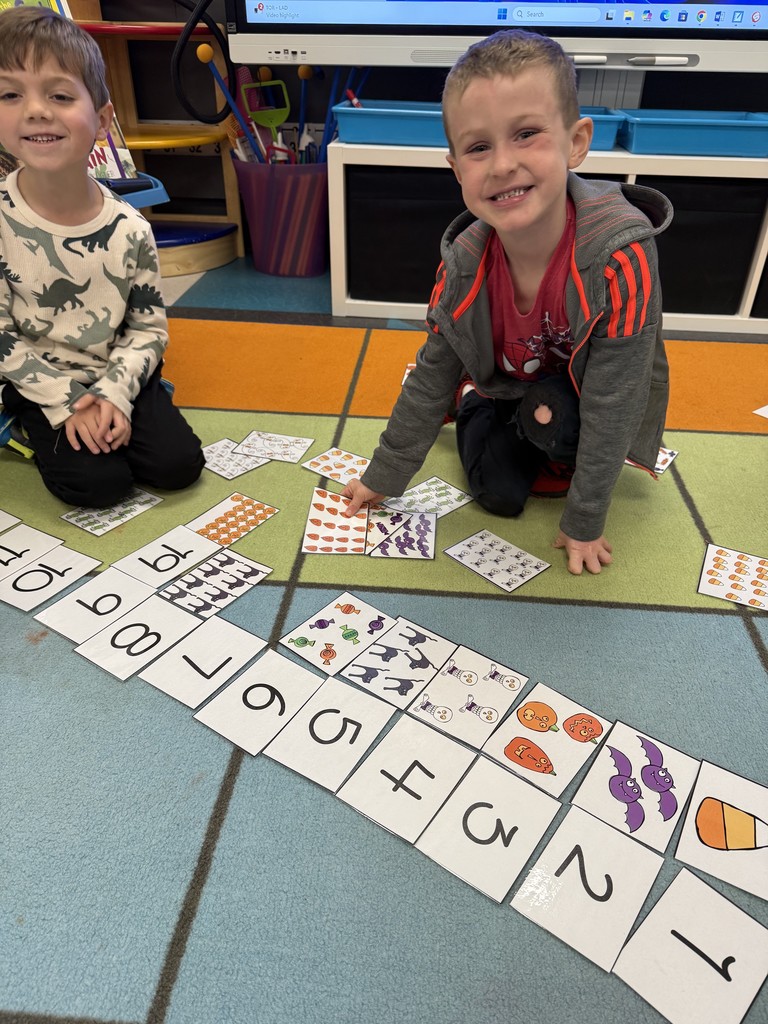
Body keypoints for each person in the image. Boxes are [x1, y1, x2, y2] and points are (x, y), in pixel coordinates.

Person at [343, 29, 672, 576]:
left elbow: (617, 398)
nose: (500, 165)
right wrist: (384, 476)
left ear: (576, 142)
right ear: (456, 169)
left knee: (568, 427)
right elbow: (430, 375)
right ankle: (476, 402)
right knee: (500, 493)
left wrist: (584, 520)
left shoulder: (622, 253)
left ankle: (537, 427)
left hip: (576, 393)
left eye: (526, 134)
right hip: (508, 386)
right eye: (478, 148)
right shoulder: (464, 263)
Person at [0, 7, 204, 508]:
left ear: (103, 118)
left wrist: (115, 394)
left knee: (179, 467)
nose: (36, 110)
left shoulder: (131, 228)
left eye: (61, 95)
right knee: (95, 487)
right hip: (37, 379)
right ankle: (26, 424)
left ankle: (120, 405)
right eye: (10, 94)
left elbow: (148, 329)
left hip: (117, 369)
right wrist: (67, 404)